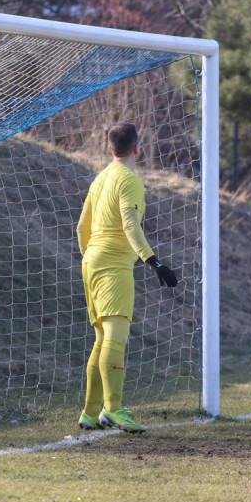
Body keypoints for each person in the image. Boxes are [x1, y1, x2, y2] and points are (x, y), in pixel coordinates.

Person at [76, 122, 178, 434]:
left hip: (90, 263)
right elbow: (131, 225)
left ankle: (90, 413)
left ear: (110, 148)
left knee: (101, 340)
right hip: (113, 266)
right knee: (116, 338)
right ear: (137, 147)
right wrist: (154, 261)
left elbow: (82, 227)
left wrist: (90, 256)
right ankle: (114, 409)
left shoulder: (101, 178)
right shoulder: (129, 181)